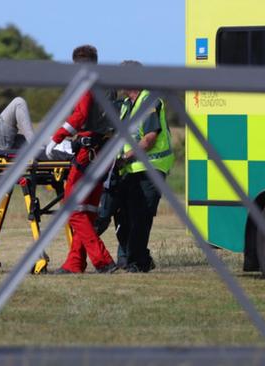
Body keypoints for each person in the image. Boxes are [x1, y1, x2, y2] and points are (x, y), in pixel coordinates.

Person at [45, 45, 117, 274]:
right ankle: (75, 262)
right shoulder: (107, 84)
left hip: (88, 153)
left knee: (71, 207)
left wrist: (57, 137)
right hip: (105, 151)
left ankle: (103, 260)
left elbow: (81, 114)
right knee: (86, 210)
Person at [114, 60, 175, 273]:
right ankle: (139, 258)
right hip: (131, 169)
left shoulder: (148, 101)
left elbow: (148, 139)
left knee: (141, 215)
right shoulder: (127, 104)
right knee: (125, 215)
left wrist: (125, 157)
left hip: (151, 167)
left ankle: (137, 262)